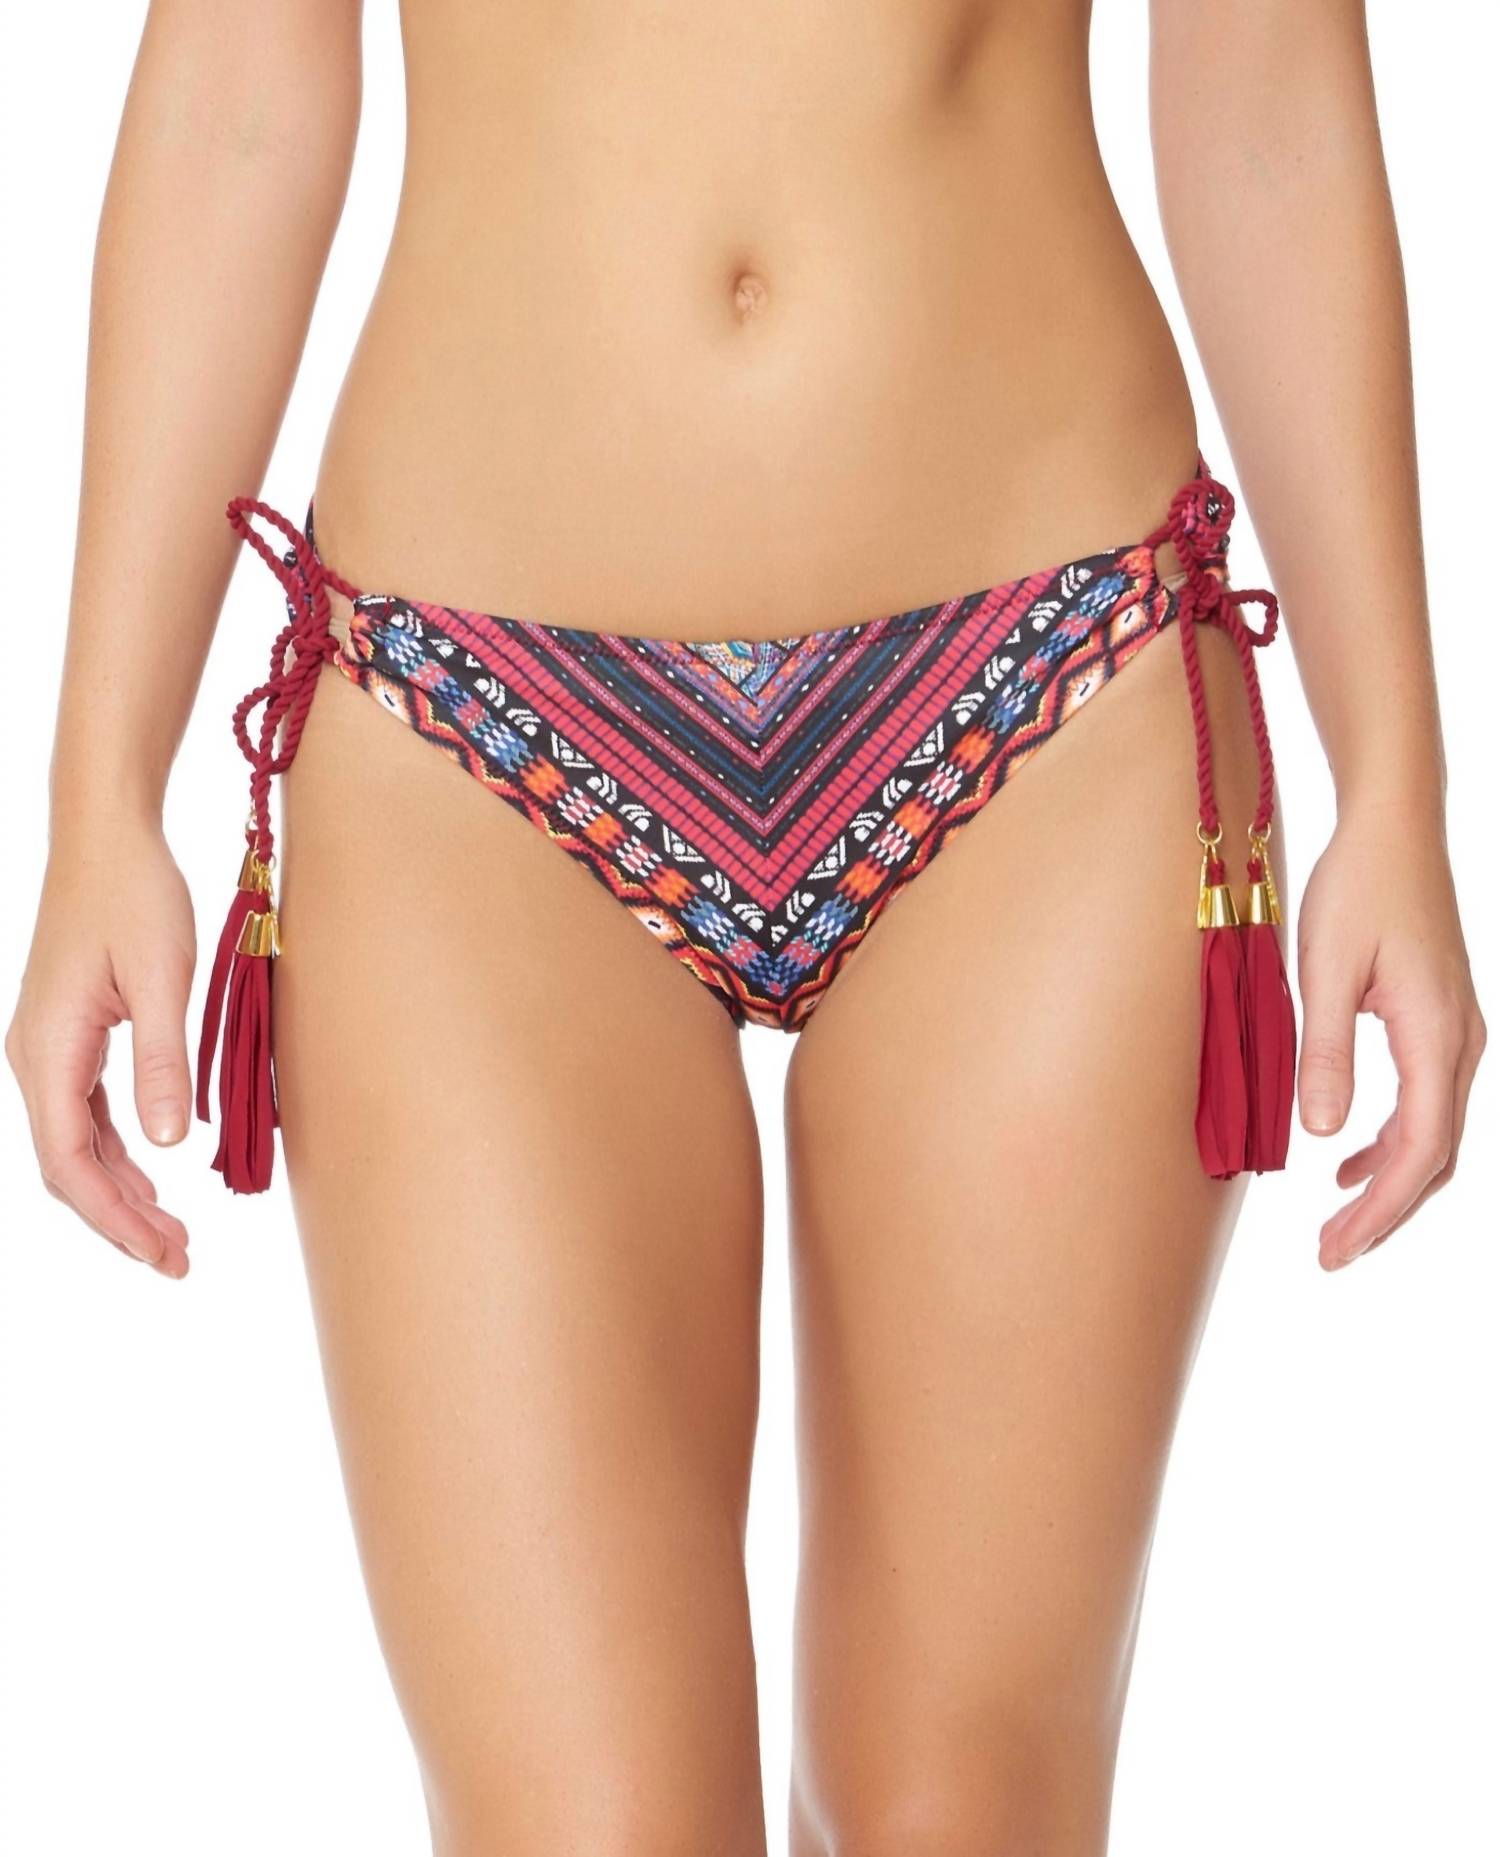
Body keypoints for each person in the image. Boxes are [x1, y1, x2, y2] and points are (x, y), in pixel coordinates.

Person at [5, 2, 1484, 1852]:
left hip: (1056, 678)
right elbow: (241, 81)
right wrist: (98, 789)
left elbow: (1264, 90)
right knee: (584, 1826)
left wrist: (1397, 777)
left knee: (963, 1813)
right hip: (467, 725)